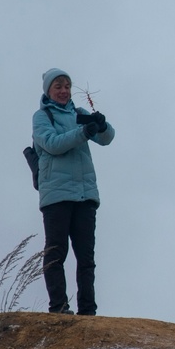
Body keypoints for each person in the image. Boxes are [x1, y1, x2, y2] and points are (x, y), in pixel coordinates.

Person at [33, 68, 115, 315]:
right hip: (56, 194)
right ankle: (58, 308)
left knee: (86, 258)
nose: (64, 91)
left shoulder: (80, 113)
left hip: (85, 194)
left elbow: (107, 138)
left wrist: (101, 124)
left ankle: (88, 312)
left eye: (67, 86)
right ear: (48, 90)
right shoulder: (42, 116)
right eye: (58, 86)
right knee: (56, 253)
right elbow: (52, 144)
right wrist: (84, 132)